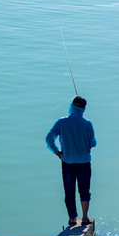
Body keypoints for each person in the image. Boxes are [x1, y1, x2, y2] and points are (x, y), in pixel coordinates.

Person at [46, 96, 97, 226]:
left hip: (67, 162)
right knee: (84, 190)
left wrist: (56, 151)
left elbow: (49, 138)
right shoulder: (88, 124)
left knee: (69, 191)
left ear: (71, 106)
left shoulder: (61, 122)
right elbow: (93, 143)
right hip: (84, 162)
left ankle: (72, 218)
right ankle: (85, 217)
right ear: (83, 109)